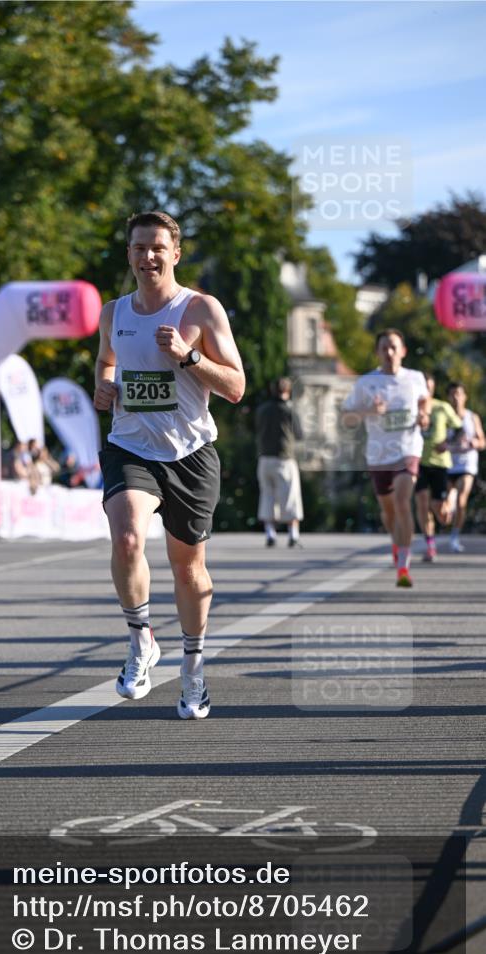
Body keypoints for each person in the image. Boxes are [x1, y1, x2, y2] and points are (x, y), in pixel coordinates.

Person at [94, 210, 245, 720]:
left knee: (189, 570)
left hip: (190, 455)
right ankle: (141, 641)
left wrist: (188, 356)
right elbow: (105, 361)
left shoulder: (200, 309)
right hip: (131, 446)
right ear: (129, 255)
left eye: (158, 247)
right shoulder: (113, 312)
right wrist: (103, 385)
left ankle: (194, 670)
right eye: (139, 247)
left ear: (175, 254)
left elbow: (237, 387)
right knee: (128, 538)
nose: (148, 256)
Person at [341, 329, 429, 588]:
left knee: (403, 500)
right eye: (383, 348)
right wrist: (369, 410)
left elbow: (425, 401)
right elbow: (346, 417)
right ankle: (396, 541)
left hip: (408, 449)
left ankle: (403, 564)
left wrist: (424, 416)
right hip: (378, 454)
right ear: (377, 352)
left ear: (403, 351)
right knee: (389, 511)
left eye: (393, 347)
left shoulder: (415, 378)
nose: (389, 352)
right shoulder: (366, 383)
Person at [413, 375, 463, 562]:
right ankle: (430, 545)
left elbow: (459, 428)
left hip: (440, 463)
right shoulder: (411, 407)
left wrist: (447, 443)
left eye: (429, 387)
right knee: (421, 503)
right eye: (423, 386)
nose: (425, 389)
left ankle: (449, 503)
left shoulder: (442, 407)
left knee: (440, 513)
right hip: (418, 462)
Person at [255, 376, 304, 548]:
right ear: (288, 390)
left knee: (267, 496)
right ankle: (293, 534)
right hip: (284, 458)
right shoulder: (289, 410)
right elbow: (299, 434)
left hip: (264, 457)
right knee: (290, 496)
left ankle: (270, 533)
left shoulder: (262, 409)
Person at [445, 382, 485, 552]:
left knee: (462, 500)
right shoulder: (443, 416)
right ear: (448, 397)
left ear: (465, 396)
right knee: (446, 507)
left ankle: (454, 537)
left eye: (459, 394)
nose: (456, 397)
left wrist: (474, 442)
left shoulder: (472, 417)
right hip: (447, 465)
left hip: (466, 465)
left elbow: (483, 441)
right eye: (452, 394)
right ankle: (450, 509)